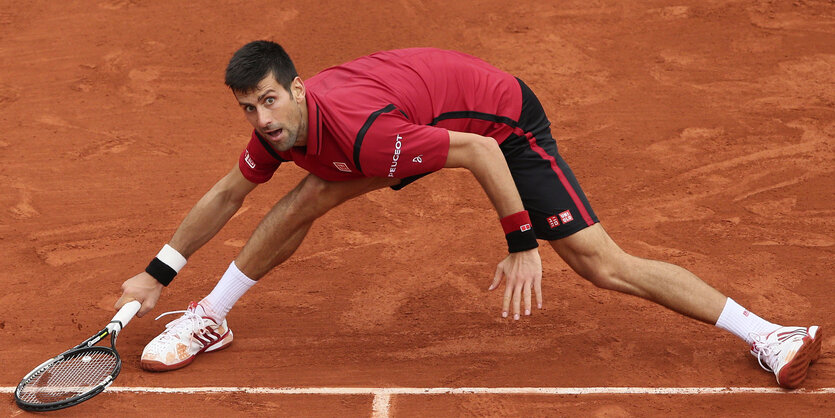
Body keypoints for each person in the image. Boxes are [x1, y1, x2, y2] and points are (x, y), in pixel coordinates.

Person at [115, 41, 821, 388]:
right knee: (309, 193)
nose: (261, 120)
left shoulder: (368, 137)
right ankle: (212, 312)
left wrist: (521, 244)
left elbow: (480, 151)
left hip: (502, 125)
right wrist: (157, 274)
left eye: (270, 101)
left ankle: (768, 334)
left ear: (296, 90)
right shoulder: (288, 128)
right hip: (410, 115)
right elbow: (224, 195)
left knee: (599, 264)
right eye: (248, 108)